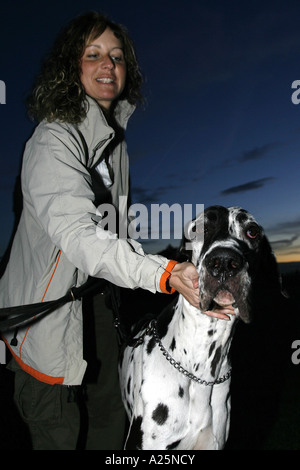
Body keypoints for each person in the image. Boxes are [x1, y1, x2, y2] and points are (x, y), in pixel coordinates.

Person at [0, 11, 234, 450]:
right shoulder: (53, 141)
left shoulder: (114, 143)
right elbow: (83, 237)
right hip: (43, 318)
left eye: (117, 56)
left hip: (97, 310)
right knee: (60, 432)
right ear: (71, 67)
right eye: (93, 54)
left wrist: (153, 266)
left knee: (110, 426)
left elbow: (116, 235)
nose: (108, 65)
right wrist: (164, 273)